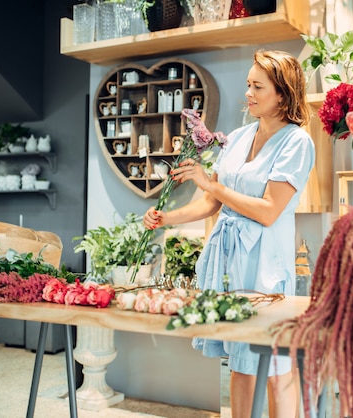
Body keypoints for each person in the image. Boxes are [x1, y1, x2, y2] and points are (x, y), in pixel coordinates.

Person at [143, 49, 315, 418]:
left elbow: (269, 211)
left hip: (266, 262)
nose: (248, 93)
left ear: (282, 94)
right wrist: (166, 218)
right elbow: (209, 204)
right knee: (239, 360)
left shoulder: (297, 143)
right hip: (228, 260)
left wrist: (211, 184)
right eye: (248, 85)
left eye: (258, 86)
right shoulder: (237, 137)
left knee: (275, 363)